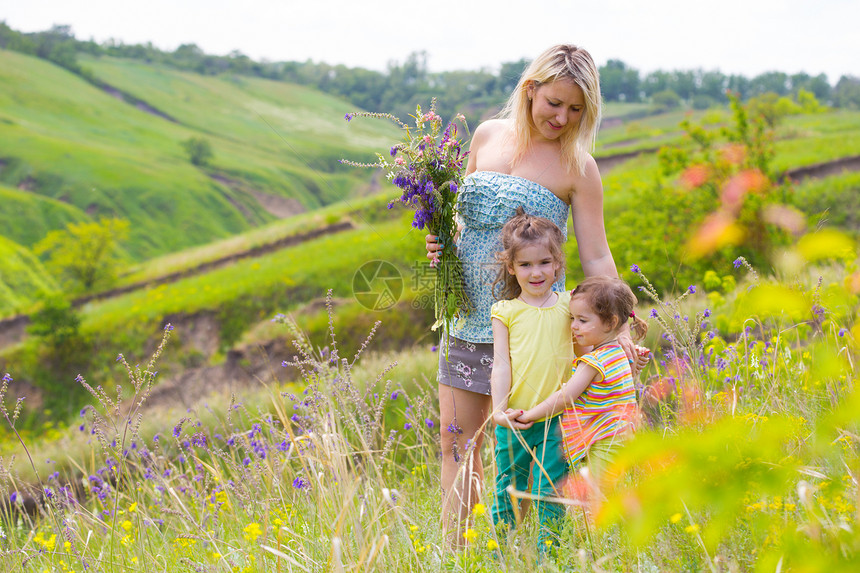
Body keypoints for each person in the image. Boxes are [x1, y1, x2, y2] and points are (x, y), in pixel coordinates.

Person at [424, 43, 648, 544]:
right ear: (531, 90)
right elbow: (463, 218)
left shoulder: (579, 167)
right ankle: (456, 549)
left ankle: (530, 552)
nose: (563, 118)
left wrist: (621, 325)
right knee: (455, 439)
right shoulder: (486, 136)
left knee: (526, 445)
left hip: (535, 326)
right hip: (467, 318)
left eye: (576, 109)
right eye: (555, 103)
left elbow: (596, 258)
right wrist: (439, 238)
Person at [516, 276, 649, 494]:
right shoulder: (619, 353)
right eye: (572, 318)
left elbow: (565, 397)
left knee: (597, 498)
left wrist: (530, 415)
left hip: (606, 438)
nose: (573, 326)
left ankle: (603, 529)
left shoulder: (594, 362)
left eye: (582, 320)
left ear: (611, 323)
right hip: (619, 436)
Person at [489, 209, 574, 546]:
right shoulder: (505, 311)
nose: (535, 272)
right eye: (525, 265)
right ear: (511, 267)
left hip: (558, 418)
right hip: (516, 419)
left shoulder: (570, 305)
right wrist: (499, 411)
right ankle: (502, 555)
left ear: (557, 264)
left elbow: (591, 351)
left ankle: (549, 556)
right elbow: (500, 365)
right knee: (508, 489)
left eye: (543, 262)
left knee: (551, 491)